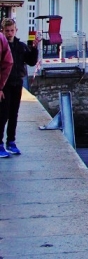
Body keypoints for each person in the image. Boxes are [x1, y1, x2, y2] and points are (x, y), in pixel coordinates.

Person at [0, 18, 39, 156]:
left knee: (13, 114)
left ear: (16, 30)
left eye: (12, 30)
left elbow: (31, 61)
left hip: (17, 83)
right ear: (2, 31)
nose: (9, 33)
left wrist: (34, 48)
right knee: (2, 115)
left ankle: (11, 141)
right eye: (7, 31)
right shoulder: (2, 46)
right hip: (4, 85)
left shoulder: (20, 46)